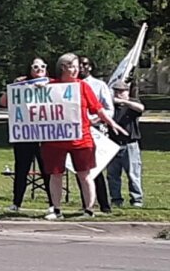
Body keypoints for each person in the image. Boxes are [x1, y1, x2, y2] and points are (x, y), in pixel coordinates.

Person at [43, 53, 126, 220]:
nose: (76, 70)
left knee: (85, 174)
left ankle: (89, 210)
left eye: (76, 66)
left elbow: (98, 109)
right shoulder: (50, 86)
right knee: (55, 174)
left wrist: (112, 123)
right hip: (54, 140)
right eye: (72, 66)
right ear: (63, 67)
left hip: (82, 139)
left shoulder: (83, 87)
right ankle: (56, 209)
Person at [0, 58, 52, 212]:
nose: (39, 69)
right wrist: (13, 86)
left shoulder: (54, 84)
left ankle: (53, 203)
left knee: (47, 170)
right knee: (21, 169)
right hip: (24, 135)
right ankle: (16, 203)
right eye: (35, 66)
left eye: (43, 66)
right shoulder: (21, 84)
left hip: (45, 135)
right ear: (30, 69)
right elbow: (4, 102)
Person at [77, 56, 113, 214]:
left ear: (90, 67)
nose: (81, 67)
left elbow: (109, 109)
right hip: (76, 131)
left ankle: (104, 205)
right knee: (80, 169)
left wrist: (95, 119)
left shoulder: (99, 85)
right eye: (78, 65)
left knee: (95, 169)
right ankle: (87, 204)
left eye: (85, 64)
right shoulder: (70, 85)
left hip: (96, 130)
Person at [107, 81, 144, 208]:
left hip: (130, 144)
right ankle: (116, 199)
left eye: (121, 91)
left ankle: (136, 199)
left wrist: (125, 102)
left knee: (133, 173)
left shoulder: (132, 104)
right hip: (113, 144)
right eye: (116, 91)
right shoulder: (111, 106)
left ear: (127, 92)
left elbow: (141, 108)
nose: (118, 93)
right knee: (113, 175)